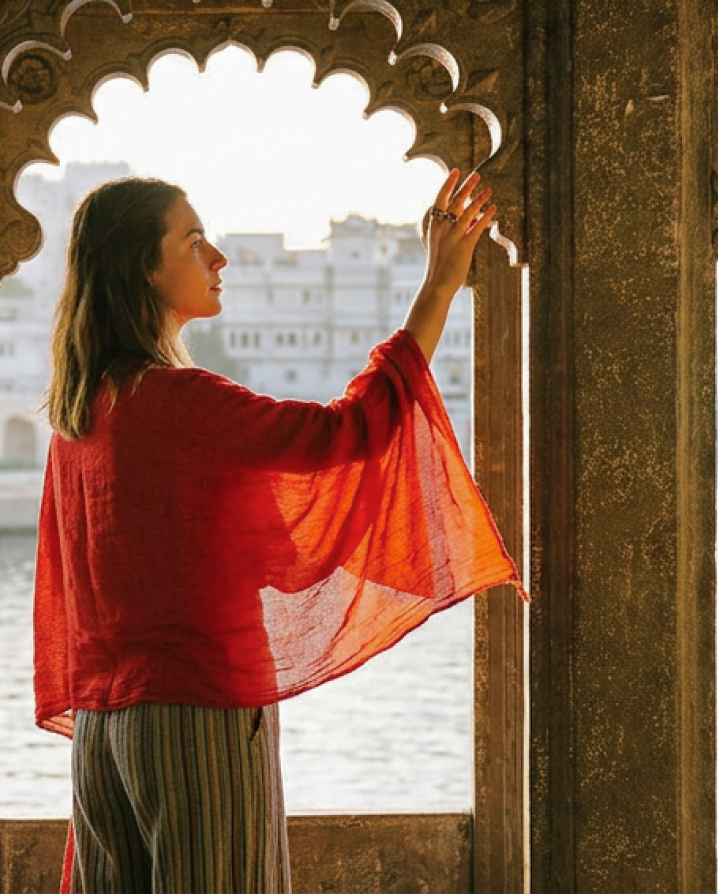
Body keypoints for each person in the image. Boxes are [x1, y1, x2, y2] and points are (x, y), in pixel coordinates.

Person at [32, 168, 521, 893]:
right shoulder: (182, 401)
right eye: (194, 241)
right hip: (194, 717)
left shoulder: (83, 414)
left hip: (107, 731)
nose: (218, 259)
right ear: (145, 267)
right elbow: (347, 433)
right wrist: (440, 285)